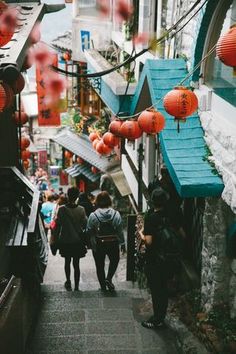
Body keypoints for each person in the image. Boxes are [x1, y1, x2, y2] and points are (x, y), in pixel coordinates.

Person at [141, 187, 183, 329]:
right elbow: (182, 234)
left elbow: (149, 242)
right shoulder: (172, 214)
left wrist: (141, 235)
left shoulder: (151, 218)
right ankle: (161, 316)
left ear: (153, 202)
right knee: (164, 288)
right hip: (169, 258)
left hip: (155, 259)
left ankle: (157, 319)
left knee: (156, 290)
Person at [86, 191, 125, 292]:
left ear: (97, 202)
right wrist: (122, 243)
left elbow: (89, 230)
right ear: (109, 201)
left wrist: (91, 242)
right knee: (114, 261)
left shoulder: (93, 215)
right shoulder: (116, 214)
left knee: (99, 265)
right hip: (113, 243)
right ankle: (109, 278)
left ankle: (103, 286)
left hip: (98, 244)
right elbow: (119, 230)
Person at [55, 187, 87, 291]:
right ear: (77, 196)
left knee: (67, 262)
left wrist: (55, 239)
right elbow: (85, 224)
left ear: (68, 196)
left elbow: (58, 225)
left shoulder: (61, 209)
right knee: (76, 264)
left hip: (65, 240)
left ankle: (68, 281)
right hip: (77, 241)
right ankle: (77, 285)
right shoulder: (81, 209)